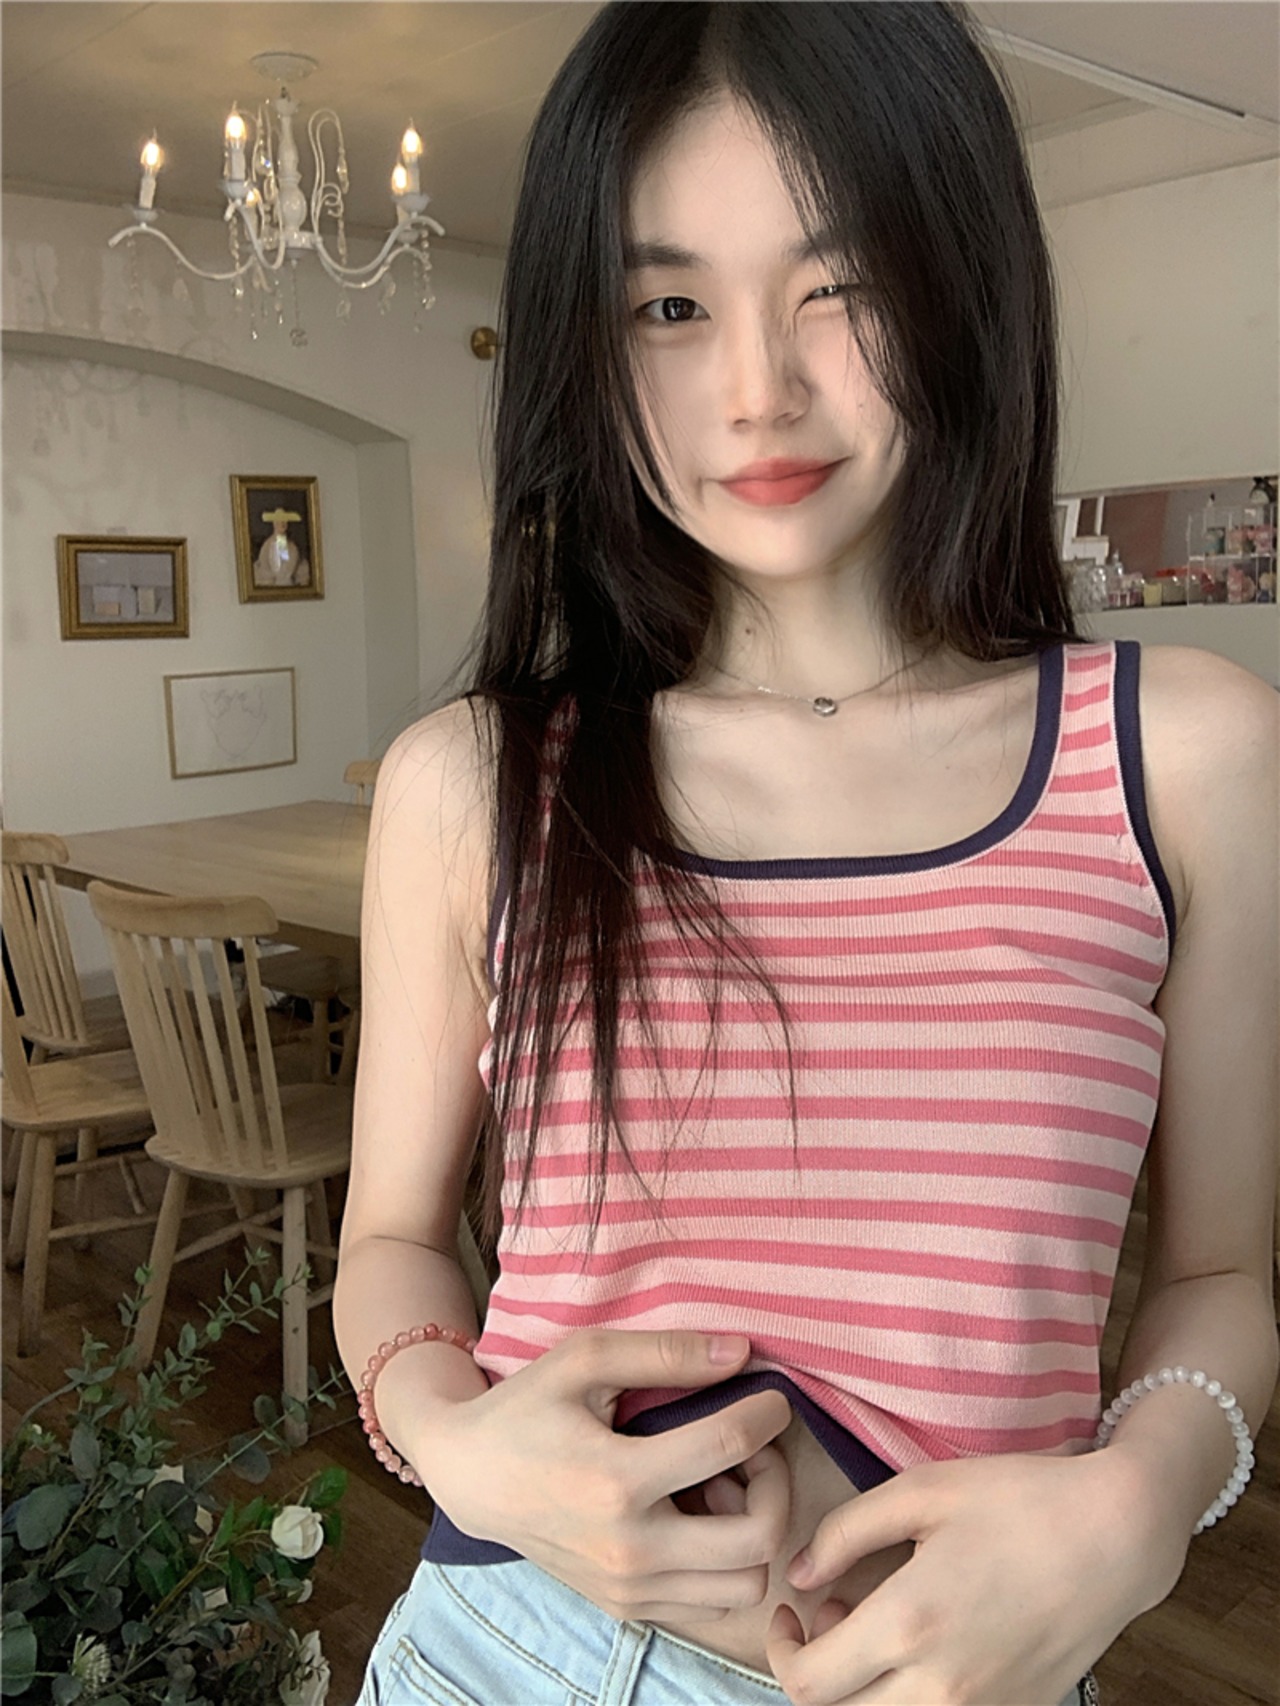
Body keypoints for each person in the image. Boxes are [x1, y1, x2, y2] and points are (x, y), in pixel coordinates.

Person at [333, 4, 1278, 1703]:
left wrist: (1143, 1502)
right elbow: (392, 1242)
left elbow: (1218, 1272)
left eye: (839, 285)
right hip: (512, 1645)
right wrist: (454, 1439)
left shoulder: (1184, 757)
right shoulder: (476, 782)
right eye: (669, 306)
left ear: (962, 284)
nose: (758, 387)